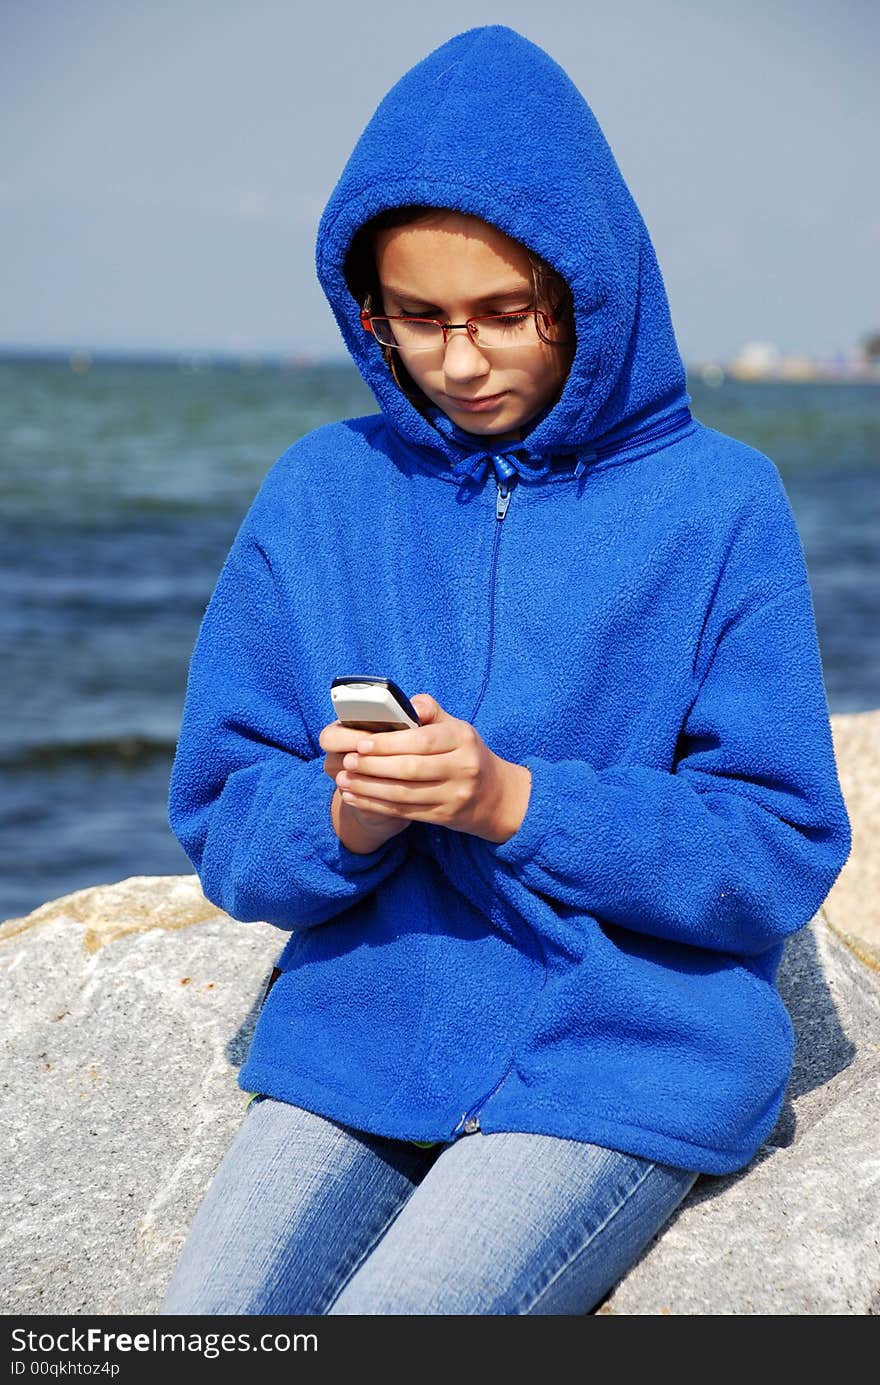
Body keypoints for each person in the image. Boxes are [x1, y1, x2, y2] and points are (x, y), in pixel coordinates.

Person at [160, 25, 852, 1315]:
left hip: (623, 1048)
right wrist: (344, 816)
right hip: (361, 1034)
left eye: (505, 313)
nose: (463, 361)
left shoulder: (718, 506)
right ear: (365, 310)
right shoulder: (323, 491)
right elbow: (224, 812)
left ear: (589, 292)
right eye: (418, 319)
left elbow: (775, 846)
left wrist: (515, 803)